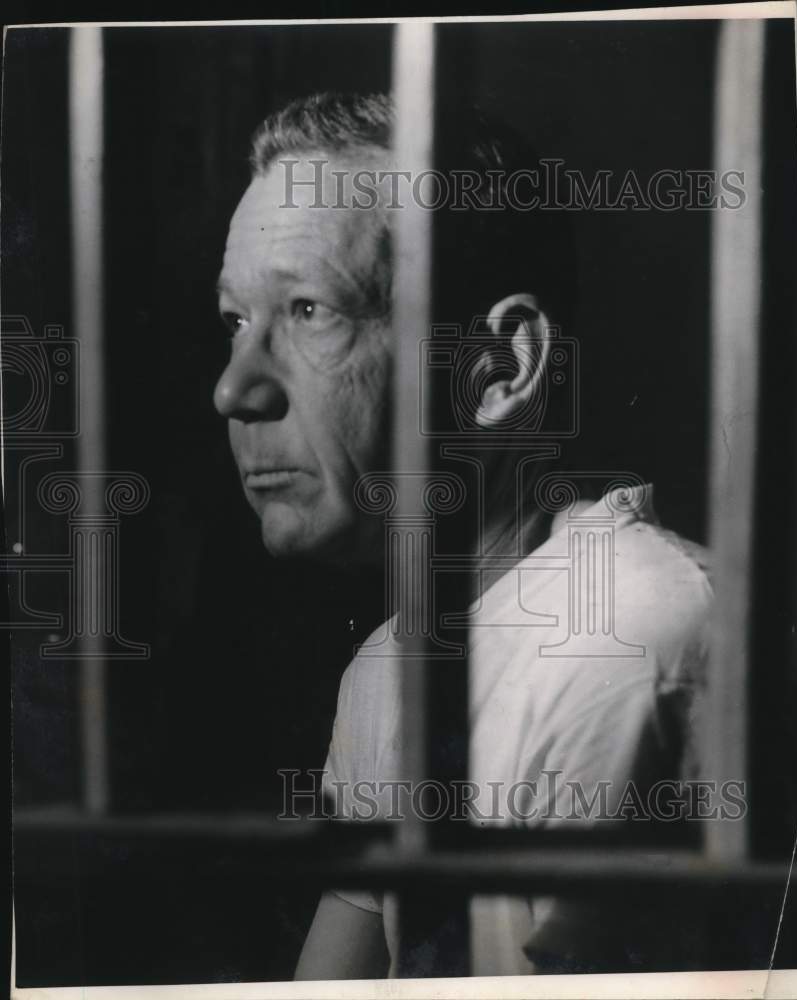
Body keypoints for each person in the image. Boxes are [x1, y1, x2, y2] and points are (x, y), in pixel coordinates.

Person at [213, 92, 713, 979]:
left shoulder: (629, 640)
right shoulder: (386, 671)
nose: (234, 389)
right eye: (235, 323)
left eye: (307, 310)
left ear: (501, 369)